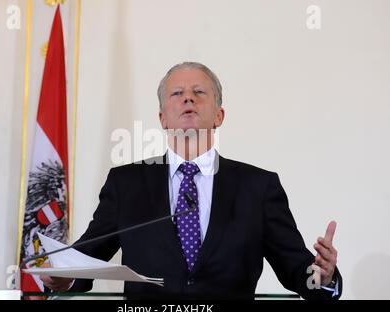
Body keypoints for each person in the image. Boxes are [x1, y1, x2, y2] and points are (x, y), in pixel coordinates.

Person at [41, 62, 342, 299]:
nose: (188, 98)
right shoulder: (126, 183)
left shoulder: (258, 187)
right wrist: (63, 276)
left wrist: (322, 277)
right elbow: (86, 259)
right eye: (177, 93)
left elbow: (297, 270)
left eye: (199, 92)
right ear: (163, 118)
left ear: (219, 115)